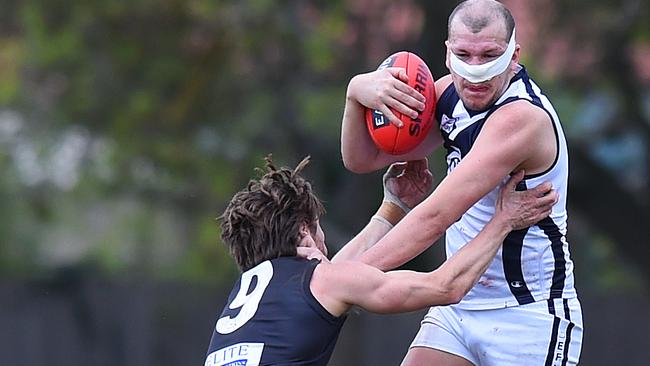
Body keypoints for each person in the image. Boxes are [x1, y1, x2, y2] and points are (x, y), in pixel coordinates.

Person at [339, 0, 583, 365]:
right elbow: (363, 159)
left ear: (514, 55)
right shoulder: (447, 95)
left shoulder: (521, 118)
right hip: (457, 306)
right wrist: (356, 92)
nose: (476, 70)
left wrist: (348, 279)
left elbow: (439, 214)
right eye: (464, 54)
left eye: (490, 55)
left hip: (526, 312)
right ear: (448, 51)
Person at [204, 155, 557, 366]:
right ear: (304, 231)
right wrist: (503, 221)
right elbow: (447, 286)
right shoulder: (322, 282)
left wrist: (393, 207)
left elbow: (341, 273)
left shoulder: (256, 290)